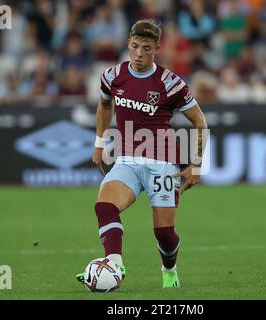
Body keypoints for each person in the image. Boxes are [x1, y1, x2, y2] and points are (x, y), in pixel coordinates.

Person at [76, 19, 207, 289]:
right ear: (128, 44)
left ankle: (169, 271)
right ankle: (114, 263)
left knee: (164, 233)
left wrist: (195, 164)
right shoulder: (112, 75)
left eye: (146, 48)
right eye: (135, 46)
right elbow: (104, 104)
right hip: (127, 161)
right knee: (104, 206)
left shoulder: (170, 83)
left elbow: (200, 122)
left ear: (156, 49)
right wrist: (100, 142)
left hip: (163, 164)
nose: (138, 54)